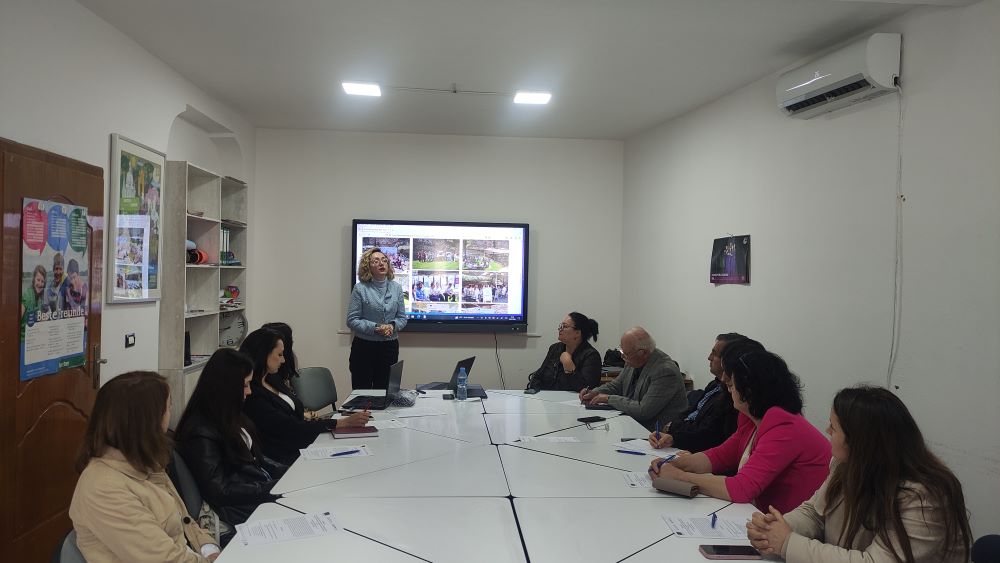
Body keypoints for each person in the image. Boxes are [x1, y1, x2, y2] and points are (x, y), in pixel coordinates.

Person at [746, 385, 971, 563]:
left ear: (860, 441)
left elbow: (874, 561)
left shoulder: (925, 498)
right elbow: (815, 512)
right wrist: (771, 530)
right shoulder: (847, 464)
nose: (827, 431)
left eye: (834, 427)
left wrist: (787, 542)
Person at [648, 344, 831, 513]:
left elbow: (742, 488)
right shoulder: (753, 420)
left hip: (790, 524)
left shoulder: (785, 428)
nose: (729, 391)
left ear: (749, 391)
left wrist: (679, 477)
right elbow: (720, 456)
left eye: (732, 385)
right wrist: (674, 464)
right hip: (763, 514)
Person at [69, 371, 220, 562]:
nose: (170, 412)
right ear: (149, 421)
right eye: (168, 407)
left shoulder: (143, 460)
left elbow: (185, 522)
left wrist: (208, 547)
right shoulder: (104, 489)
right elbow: (165, 560)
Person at [175, 348, 287, 539]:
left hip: (255, 494)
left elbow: (255, 459)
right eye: (245, 385)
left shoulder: (230, 415)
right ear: (226, 387)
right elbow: (220, 491)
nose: (249, 391)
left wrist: (290, 473)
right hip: (238, 511)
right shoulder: (200, 431)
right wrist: (273, 487)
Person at [241, 328, 369, 464]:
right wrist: (341, 423)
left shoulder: (273, 379)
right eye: (279, 354)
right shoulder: (253, 394)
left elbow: (296, 417)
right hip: (285, 457)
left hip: (303, 443)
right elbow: (289, 427)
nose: (283, 360)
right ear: (263, 354)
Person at [647, 333, 757, 452]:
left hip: (692, 448)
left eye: (715, 354)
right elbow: (690, 411)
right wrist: (671, 428)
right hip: (680, 441)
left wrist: (674, 435)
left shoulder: (732, 399)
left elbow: (709, 435)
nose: (709, 357)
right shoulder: (714, 384)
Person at [579, 327, 687, 430]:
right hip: (630, 423)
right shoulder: (633, 358)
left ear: (643, 353)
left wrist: (608, 399)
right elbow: (617, 385)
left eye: (626, 354)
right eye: (622, 352)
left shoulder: (665, 371)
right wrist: (595, 392)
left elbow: (643, 411)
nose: (623, 357)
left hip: (654, 433)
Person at [346, 247, 407, 390]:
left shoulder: (397, 288)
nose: (381, 263)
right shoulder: (360, 289)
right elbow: (352, 320)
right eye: (376, 261)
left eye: (384, 260)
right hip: (364, 348)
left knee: (385, 392)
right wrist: (375, 328)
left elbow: (402, 318)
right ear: (367, 266)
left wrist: (392, 326)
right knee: (362, 393)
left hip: (389, 347)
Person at [526, 312, 602, 392]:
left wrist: (568, 365)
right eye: (560, 326)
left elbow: (586, 389)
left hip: (573, 399)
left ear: (577, 333)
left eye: (565, 326)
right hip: (547, 397)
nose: (560, 329)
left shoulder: (591, 355)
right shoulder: (555, 348)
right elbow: (538, 376)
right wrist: (535, 392)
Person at [20, 264, 46, 333]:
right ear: (34, 279)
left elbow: (40, 318)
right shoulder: (27, 296)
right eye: (38, 280)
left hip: (35, 335)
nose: (40, 284)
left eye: (42, 281)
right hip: (24, 337)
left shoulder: (40, 298)